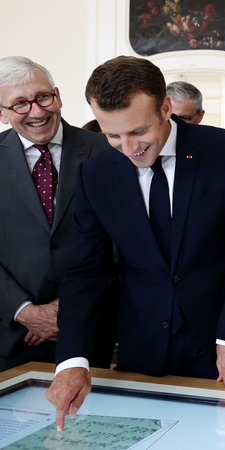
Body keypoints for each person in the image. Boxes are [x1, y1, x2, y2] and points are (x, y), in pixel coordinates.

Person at [45, 56, 225, 430]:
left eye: (138, 131)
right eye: (113, 136)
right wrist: (72, 360)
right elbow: (86, 271)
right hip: (144, 344)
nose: (128, 147)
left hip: (223, 339)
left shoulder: (224, 150)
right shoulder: (95, 174)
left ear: (165, 108)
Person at [0, 56, 116, 372]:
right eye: (20, 104)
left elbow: (125, 240)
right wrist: (25, 311)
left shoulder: (107, 151)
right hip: (11, 335)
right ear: (3, 113)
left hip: (91, 330)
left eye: (43, 97)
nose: (37, 112)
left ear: (58, 96)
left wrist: (70, 305)